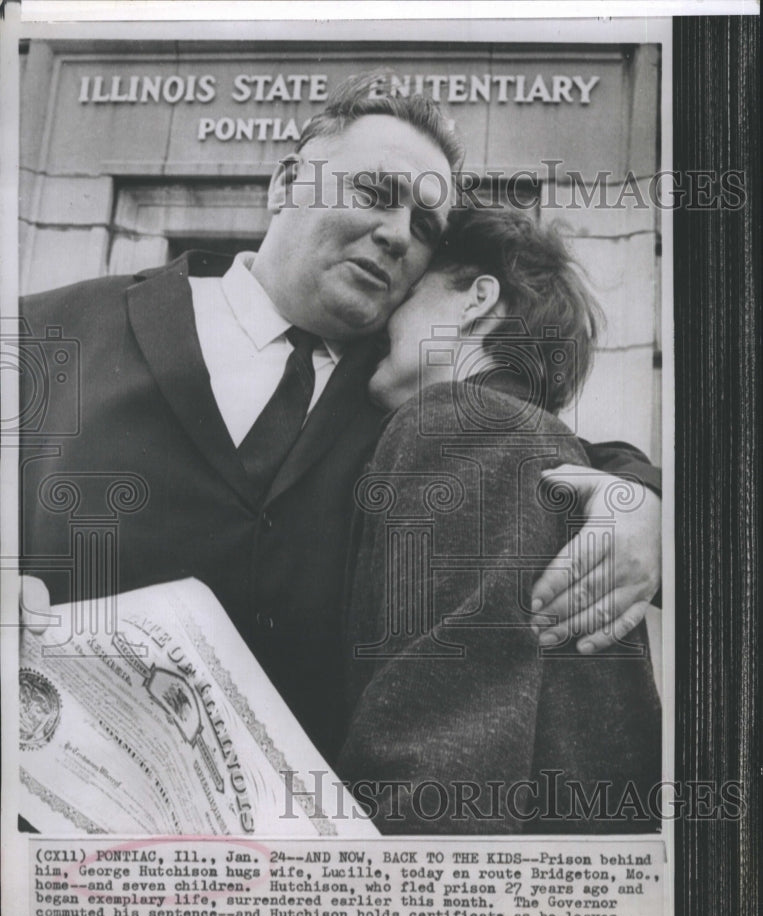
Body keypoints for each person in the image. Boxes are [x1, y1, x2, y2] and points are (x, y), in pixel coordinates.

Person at [19, 70, 660, 766]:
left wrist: (645, 500)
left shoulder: (406, 391)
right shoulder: (51, 329)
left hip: (313, 851)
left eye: (423, 226)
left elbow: (527, 446)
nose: (394, 235)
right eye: (374, 193)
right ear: (287, 182)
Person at [337, 206, 661, 833]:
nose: (379, 318)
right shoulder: (541, 450)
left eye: (406, 292)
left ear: (477, 299)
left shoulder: (460, 422)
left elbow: (448, 750)